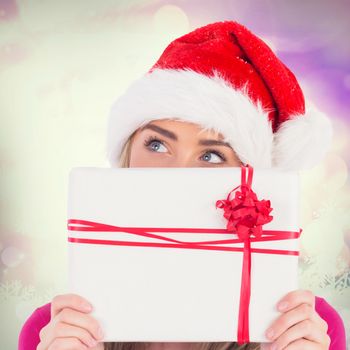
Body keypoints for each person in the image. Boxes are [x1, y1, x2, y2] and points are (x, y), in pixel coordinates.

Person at [18, 21, 346, 350]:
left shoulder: (308, 330)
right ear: (126, 155)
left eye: (213, 156)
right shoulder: (55, 332)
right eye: (157, 145)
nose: (178, 170)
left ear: (249, 180)